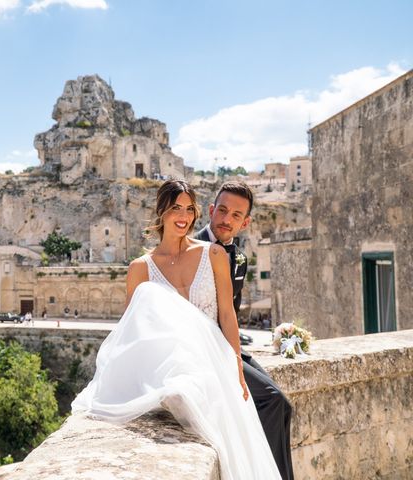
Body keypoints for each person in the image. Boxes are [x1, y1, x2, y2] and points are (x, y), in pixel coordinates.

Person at [72, 180, 281, 480]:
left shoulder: (214, 255)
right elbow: (135, 331)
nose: (182, 216)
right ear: (161, 212)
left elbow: (227, 313)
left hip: (214, 357)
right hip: (170, 359)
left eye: (188, 209)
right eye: (175, 208)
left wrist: (236, 366)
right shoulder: (140, 268)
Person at [196, 181, 294, 480]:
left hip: (228, 346)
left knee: (284, 406)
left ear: (246, 222)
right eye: (222, 211)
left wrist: (237, 354)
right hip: (203, 350)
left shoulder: (239, 257)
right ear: (211, 210)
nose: (227, 219)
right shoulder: (192, 249)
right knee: (271, 400)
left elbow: (231, 311)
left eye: (236, 215)